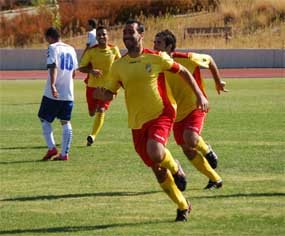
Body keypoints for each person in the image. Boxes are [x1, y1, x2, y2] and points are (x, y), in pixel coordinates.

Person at [94, 20, 209, 222]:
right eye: (125, 32)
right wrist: (101, 94)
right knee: (157, 169)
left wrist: (199, 94)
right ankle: (183, 205)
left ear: (141, 35)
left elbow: (183, 71)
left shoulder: (156, 57)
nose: (127, 35)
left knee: (155, 152)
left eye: (131, 32)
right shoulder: (118, 66)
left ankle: (176, 168)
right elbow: (111, 94)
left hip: (161, 113)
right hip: (136, 122)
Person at [153, 29, 228, 189]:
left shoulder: (187, 58)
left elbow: (210, 60)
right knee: (187, 150)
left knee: (191, 138)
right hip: (176, 114)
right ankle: (215, 179)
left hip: (196, 105)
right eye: (154, 42)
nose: (154, 46)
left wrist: (218, 81)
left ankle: (207, 150)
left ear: (169, 46)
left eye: (158, 43)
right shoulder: (155, 63)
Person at [38, 27, 78, 161]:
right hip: (68, 93)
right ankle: (64, 153)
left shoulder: (52, 48)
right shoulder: (71, 49)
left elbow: (53, 66)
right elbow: (73, 72)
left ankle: (52, 148)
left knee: (44, 119)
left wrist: (53, 85)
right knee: (65, 121)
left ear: (49, 37)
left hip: (52, 93)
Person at [79, 26, 121, 146]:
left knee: (101, 109)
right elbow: (81, 67)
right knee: (92, 112)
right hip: (92, 87)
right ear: (96, 37)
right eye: (99, 35)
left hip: (108, 87)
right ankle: (93, 117)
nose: (102, 37)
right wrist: (92, 71)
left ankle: (92, 136)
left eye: (104, 34)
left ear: (108, 36)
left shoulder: (114, 50)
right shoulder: (91, 51)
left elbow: (120, 65)